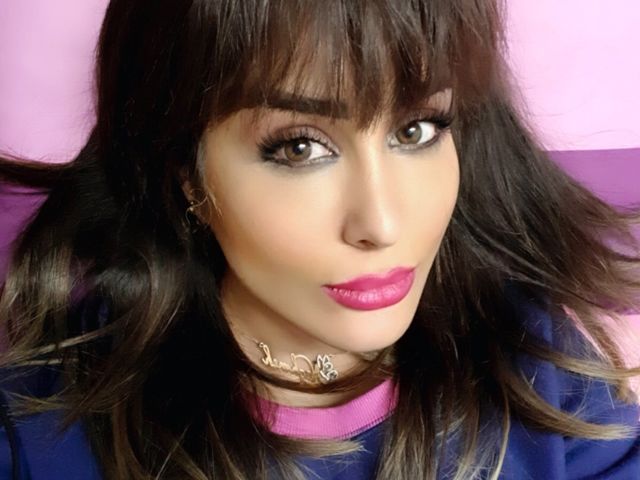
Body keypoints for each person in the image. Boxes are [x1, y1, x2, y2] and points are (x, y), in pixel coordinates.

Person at [0, 1, 639, 479]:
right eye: (300, 148)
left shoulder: (533, 361)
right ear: (184, 174)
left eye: (417, 130)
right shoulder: (44, 427)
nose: (382, 224)